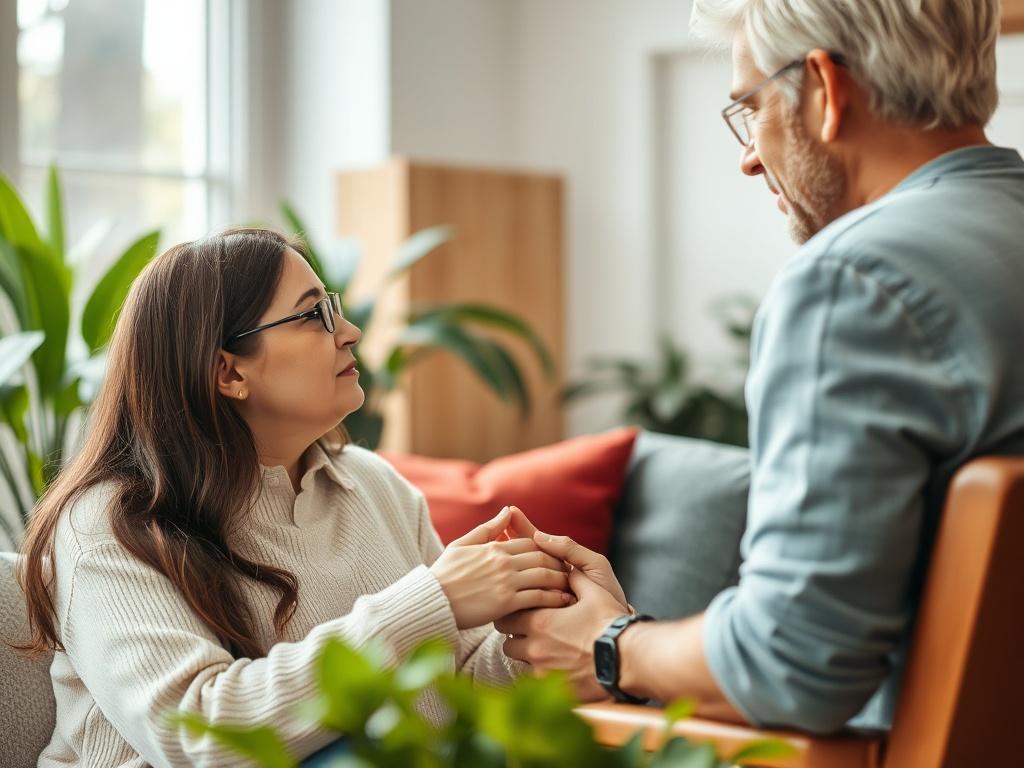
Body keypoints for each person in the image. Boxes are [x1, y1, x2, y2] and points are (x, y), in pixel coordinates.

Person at [497, 0, 1024, 734]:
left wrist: (609, 645)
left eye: (751, 106)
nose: (749, 155)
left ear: (825, 89)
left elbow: (794, 667)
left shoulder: (853, 281)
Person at [17, 228, 571, 766]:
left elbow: (458, 686)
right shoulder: (109, 526)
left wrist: (562, 627)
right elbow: (201, 739)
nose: (350, 331)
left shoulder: (373, 486)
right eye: (314, 315)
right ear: (229, 371)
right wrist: (432, 601)